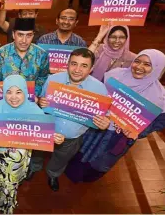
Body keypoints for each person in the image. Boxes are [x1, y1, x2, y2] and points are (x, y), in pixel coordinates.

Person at [65, 49, 165, 183]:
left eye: (147, 64)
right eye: (137, 61)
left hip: (117, 138)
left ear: (157, 68)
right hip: (95, 127)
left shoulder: (159, 97)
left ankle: (88, 179)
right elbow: (96, 95)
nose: (139, 67)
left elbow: (158, 123)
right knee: (79, 152)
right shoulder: (114, 76)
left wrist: (137, 131)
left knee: (101, 162)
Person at [0, 75, 65, 213]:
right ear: (3, 92)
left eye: (18, 92)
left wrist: (55, 137)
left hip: (17, 159)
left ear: (25, 92)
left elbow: (42, 132)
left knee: (10, 183)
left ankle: (7, 206)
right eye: (9, 92)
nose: (13, 97)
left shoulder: (35, 111)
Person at [35, 48, 110, 191]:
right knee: (37, 153)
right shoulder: (52, 79)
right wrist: (41, 102)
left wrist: (104, 123)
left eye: (84, 66)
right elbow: (42, 103)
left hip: (72, 137)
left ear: (91, 68)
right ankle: (34, 167)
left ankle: (53, 174)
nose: (77, 69)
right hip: (46, 131)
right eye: (74, 64)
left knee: (61, 158)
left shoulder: (100, 89)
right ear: (67, 64)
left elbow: (103, 117)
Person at [0, 18, 49, 100]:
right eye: (20, 35)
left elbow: (42, 78)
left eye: (28, 35)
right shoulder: (1, 53)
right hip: (6, 101)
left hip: (30, 102)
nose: (24, 41)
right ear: (13, 35)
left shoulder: (41, 55)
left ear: (33, 35)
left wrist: (34, 95)